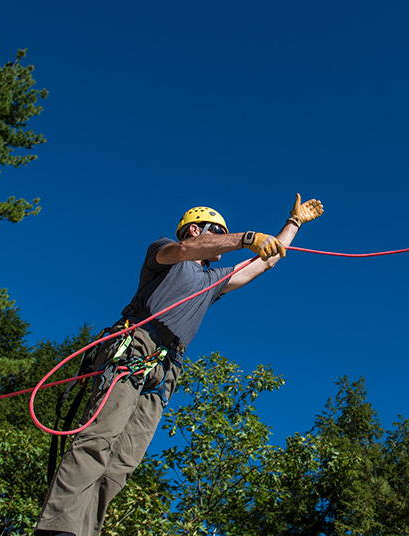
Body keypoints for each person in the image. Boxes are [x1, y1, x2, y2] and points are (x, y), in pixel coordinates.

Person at [35, 194, 324, 536]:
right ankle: (57, 530)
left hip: (168, 366)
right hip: (136, 346)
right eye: (217, 231)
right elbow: (186, 250)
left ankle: (85, 531)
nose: (221, 238)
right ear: (195, 229)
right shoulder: (165, 253)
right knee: (99, 440)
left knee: (122, 463)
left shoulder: (212, 281)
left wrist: (293, 224)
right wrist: (246, 238)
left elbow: (262, 263)